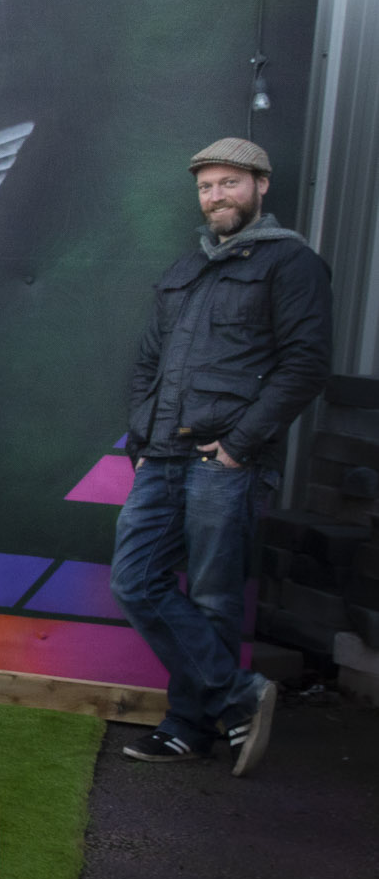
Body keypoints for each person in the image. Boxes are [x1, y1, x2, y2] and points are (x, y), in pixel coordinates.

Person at [111, 136, 331, 773]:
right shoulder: (187, 269)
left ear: (261, 186)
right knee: (135, 580)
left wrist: (240, 444)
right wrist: (143, 443)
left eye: (230, 183)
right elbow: (150, 363)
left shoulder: (291, 265)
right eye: (207, 187)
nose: (216, 196)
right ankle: (238, 698)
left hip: (226, 460)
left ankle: (188, 725)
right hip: (163, 455)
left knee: (212, 597)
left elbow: (306, 365)